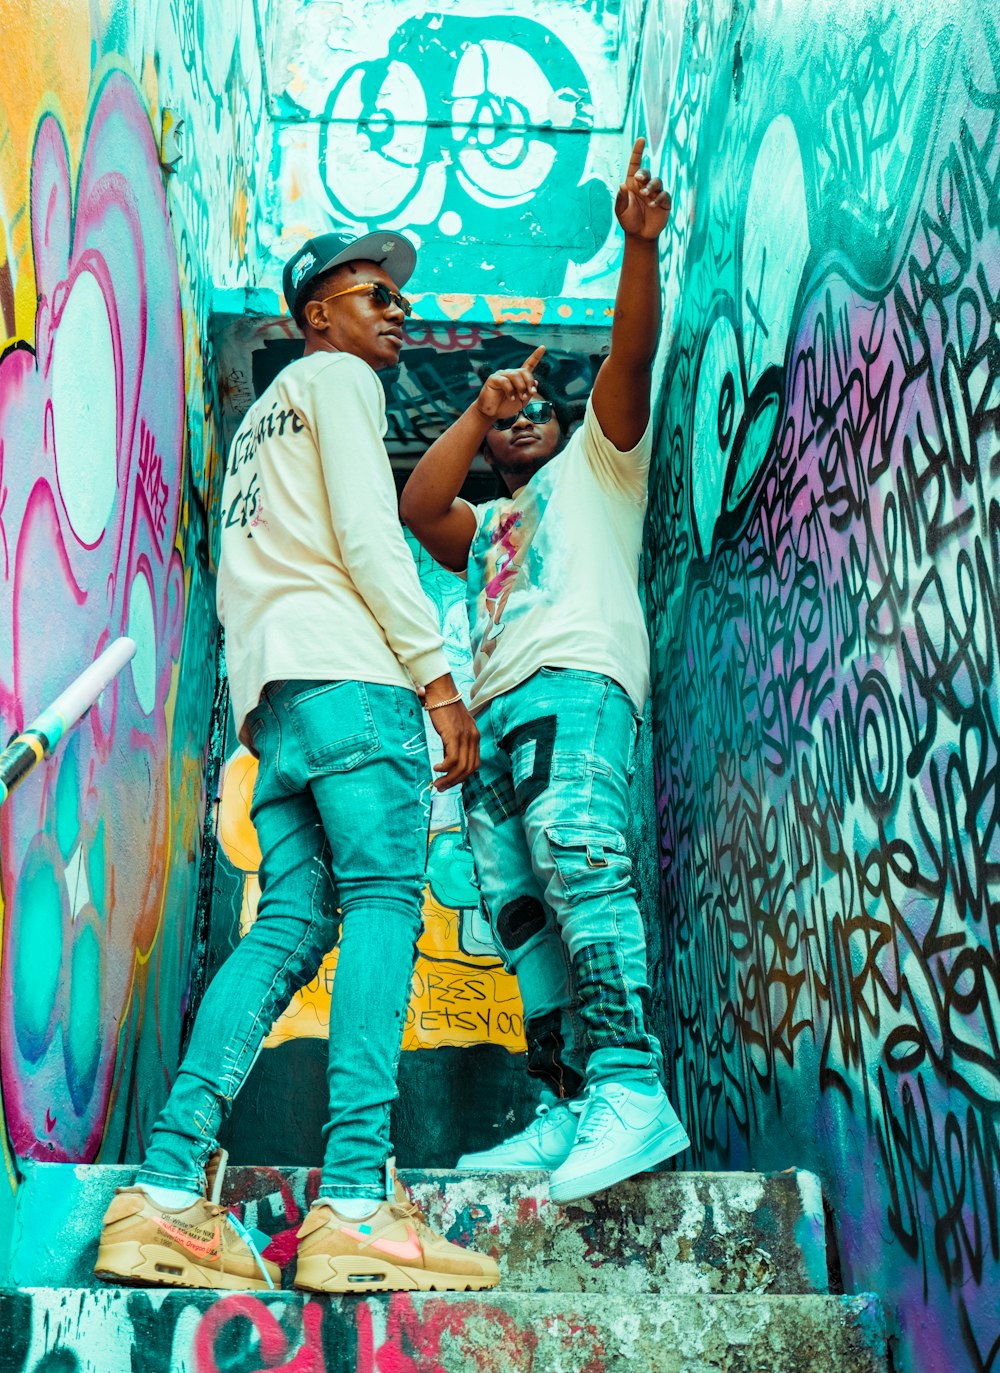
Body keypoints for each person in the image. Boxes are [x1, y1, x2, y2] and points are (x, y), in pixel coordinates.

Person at [95, 230, 498, 1293]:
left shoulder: (256, 431)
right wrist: (437, 678)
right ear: (316, 314)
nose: (396, 310)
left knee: (286, 927)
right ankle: (358, 1199)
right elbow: (372, 535)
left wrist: (257, 709)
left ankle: (169, 1192)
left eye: (399, 296)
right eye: (373, 293)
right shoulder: (336, 382)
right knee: (383, 906)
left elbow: (246, 575)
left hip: (274, 708)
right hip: (355, 688)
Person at [400, 140, 690, 1204]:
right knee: (521, 911)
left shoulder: (599, 465)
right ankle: (569, 1097)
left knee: (579, 856)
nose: (522, 420)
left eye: (534, 409)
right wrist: (474, 410)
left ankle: (630, 1081)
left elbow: (627, 354)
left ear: (563, 422)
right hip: (494, 719)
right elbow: (417, 510)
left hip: (577, 684)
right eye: (505, 420)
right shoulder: (486, 522)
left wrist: (638, 244)